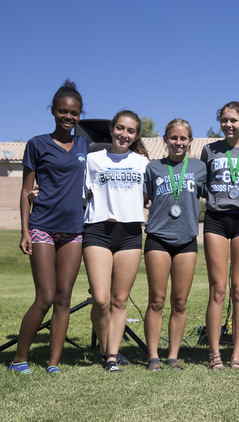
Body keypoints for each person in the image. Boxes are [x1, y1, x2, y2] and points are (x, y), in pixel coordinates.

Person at [10, 80, 90, 375]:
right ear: (54, 112)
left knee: (64, 297)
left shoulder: (85, 145)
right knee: (45, 296)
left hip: (74, 230)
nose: (69, 117)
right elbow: (24, 190)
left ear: (80, 115)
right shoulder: (37, 144)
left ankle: (53, 363)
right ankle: (19, 359)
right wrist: (24, 230)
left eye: (74, 113)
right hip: (42, 225)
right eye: (63, 111)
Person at [83, 110, 149, 372]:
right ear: (111, 129)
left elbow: (152, 196)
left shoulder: (143, 163)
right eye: (120, 128)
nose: (124, 134)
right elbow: (78, 192)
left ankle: (112, 355)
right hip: (97, 230)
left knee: (120, 300)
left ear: (136, 136)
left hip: (131, 233)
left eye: (130, 131)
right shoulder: (92, 159)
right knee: (100, 299)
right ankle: (103, 346)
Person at [143, 119, 206, 371]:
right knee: (157, 300)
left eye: (183, 138)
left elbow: (216, 192)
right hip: (158, 238)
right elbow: (142, 198)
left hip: (187, 239)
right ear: (165, 140)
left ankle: (173, 357)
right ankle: (153, 357)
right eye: (173, 138)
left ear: (190, 141)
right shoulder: (153, 168)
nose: (178, 143)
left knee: (180, 302)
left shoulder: (200, 168)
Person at [200, 102, 239, 370]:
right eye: (224, 120)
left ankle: (237, 356)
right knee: (218, 289)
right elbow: (200, 185)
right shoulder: (209, 149)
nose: (228, 125)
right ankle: (214, 356)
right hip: (216, 219)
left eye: (234, 120)